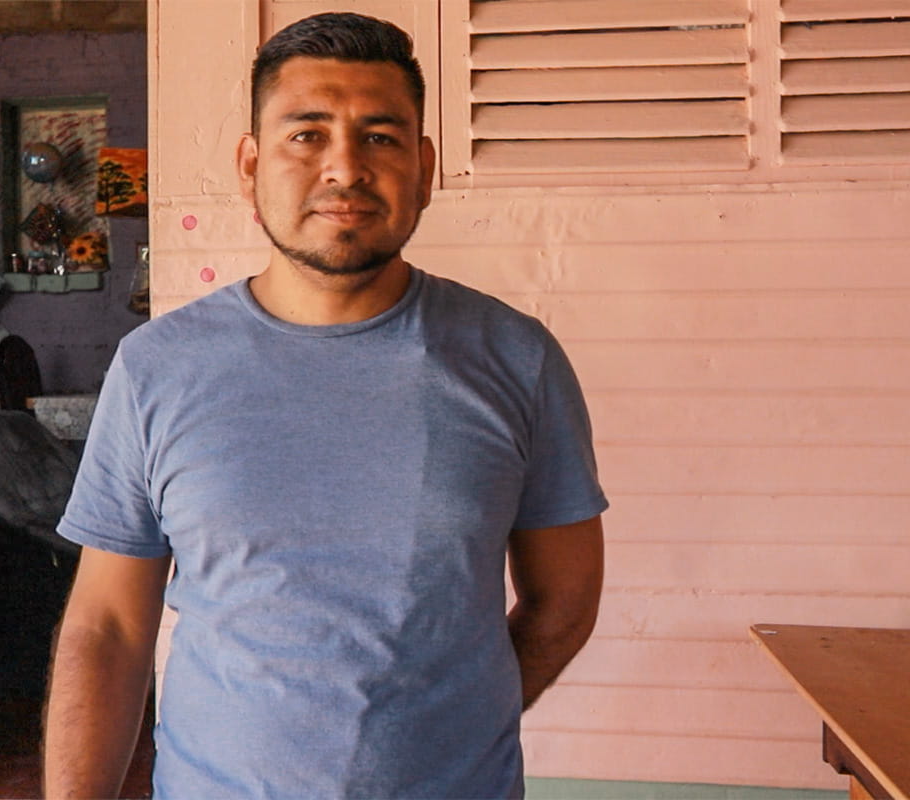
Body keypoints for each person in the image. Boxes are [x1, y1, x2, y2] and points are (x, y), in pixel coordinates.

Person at [43, 11, 606, 799]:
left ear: (424, 167)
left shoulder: (517, 359)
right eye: (307, 135)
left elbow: (564, 599)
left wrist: (459, 731)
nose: (345, 168)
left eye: (380, 136)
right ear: (250, 166)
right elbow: (107, 626)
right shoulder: (157, 369)